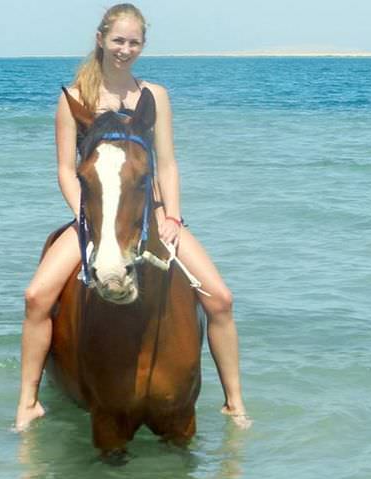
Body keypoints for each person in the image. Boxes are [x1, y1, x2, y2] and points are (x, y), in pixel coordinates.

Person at [15, 3, 249, 430]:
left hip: (154, 214)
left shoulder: (155, 96)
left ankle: (234, 402)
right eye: (118, 40)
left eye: (134, 42)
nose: (125, 49)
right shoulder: (75, 99)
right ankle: (28, 401)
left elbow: (169, 164)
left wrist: (173, 218)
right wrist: (89, 222)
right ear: (101, 39)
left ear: (144, 45)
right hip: (94, 217)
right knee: (36, 298)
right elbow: (66, 171)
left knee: (221, 299)